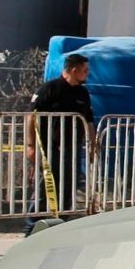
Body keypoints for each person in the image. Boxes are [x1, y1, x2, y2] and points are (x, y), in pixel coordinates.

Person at [32, 52, 97, 213]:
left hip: (72, 147)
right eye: (85, 70)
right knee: (46, 186)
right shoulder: (50, 88)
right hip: (49, 146)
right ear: (74, 70)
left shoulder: (83, 93)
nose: (87, 74)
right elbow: (31, 117)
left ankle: (62, 219)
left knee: (69, 185)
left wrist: (92, 144)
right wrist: (30, 144)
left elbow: (88, 120)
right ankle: (33, 224)